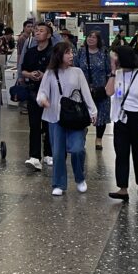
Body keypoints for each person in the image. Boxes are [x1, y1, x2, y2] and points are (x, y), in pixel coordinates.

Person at [37, 41, 97, 196]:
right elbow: (42, 92)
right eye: (68, 53)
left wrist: (93, 112)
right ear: (59, 55)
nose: (71, 56)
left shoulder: (77, 72)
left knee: (77, 149)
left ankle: (79, 178)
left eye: (72, 52)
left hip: (75, 118)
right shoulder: (50, 73)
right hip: (55, 117)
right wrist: (43, 100)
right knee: (57, 153)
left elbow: (86, 94)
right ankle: (59, 184)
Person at [105, 45, 138, 201]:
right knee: (121, 153)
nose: (112, 60)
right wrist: (113, 72)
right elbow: (109, 92)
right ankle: (123, 188)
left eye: (115, 57)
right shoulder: (118, 74)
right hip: (121, 118)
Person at [20, 21, 54, 171]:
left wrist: (44, 75)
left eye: (41, 31)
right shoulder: (30, 52)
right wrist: (30, 74)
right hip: (33, 91)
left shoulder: (54, 52)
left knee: (49, 124)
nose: (37, 33)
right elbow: (23, 70)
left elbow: (59, 71)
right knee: (34, 125)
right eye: (36, 31)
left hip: (50, 93)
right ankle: (34, 156)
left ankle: (49, 153)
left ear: (49, 35)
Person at [76, 30, 110, 150]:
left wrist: (108, 87)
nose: (90, 39)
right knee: (82, 114)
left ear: (98, 40)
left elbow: (109, 71)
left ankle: (99, 139)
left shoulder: (104, 53)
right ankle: (82, 137)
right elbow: (76, 68)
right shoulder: (81, 52)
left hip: (101, 89)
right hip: (83, 89)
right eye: (89, 37)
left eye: (94, 38)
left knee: (101, 114)